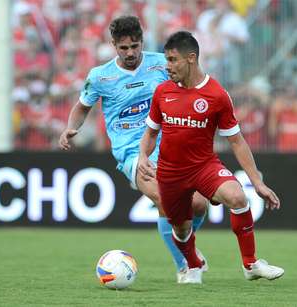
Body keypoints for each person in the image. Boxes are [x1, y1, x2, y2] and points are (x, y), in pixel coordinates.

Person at [58, 16, 208, 283]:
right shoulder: (101, 76)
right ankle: (185, 265)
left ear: (142, 41)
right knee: (165, 199)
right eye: (123, 48)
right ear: (113, 45)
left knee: (199, 204)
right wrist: (72, 127)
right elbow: (82, 106)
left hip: (172, 144)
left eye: (135, 46)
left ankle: (189, 248)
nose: (130, 53)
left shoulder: (161, 64)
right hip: (132, 153)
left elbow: (188, 88)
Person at [138, 31, 284, 284]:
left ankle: (250, 263)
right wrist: (142, 156)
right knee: (181, 230)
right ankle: (194, 264)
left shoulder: (216, 94)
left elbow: (236, 140)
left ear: (191, 58)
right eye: (167, 60)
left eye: (173, 60)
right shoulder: (162, 92)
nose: (167, 66)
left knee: (238, 197)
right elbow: (151, 133)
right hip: (170, 173)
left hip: (204, 166)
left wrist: (257, 182)